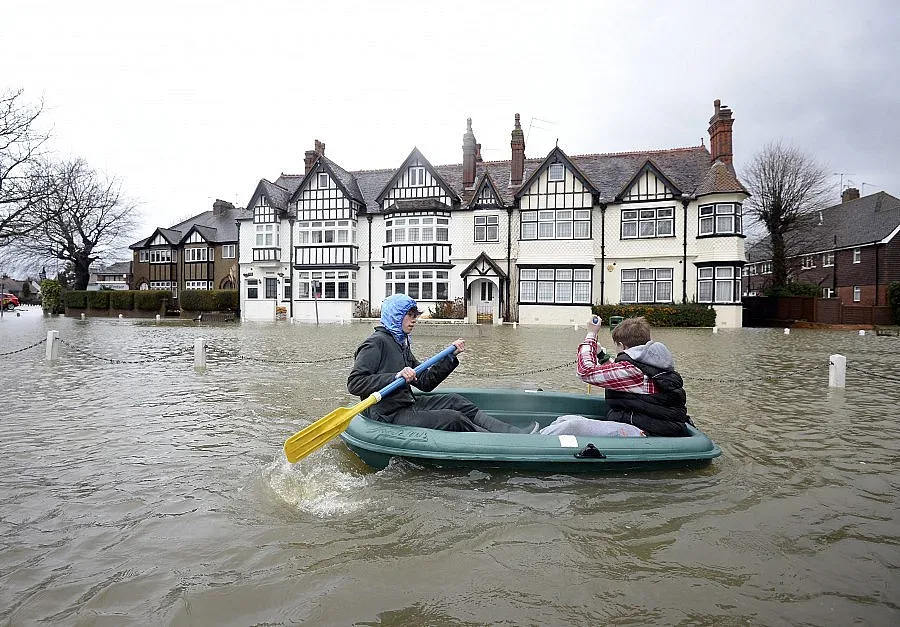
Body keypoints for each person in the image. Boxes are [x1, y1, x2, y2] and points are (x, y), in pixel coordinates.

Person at [347, 293, 538, 434]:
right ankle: (501, 443)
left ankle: (512, 433)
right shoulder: (376, 343)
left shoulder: (401, 343)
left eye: (415, 316)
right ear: (395, 316)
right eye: (410, 315)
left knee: (456, 401)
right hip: (387, 414)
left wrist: (450, 357)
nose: (414, 320)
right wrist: (395, 377)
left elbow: (426, 382)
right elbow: (355, 383)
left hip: (406, 404)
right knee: (452, 418)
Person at [569, 315, 691, 437]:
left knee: (572, 425)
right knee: (564, 421)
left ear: (622, 346)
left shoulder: (633, 371)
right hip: (657, 426)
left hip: (647, 432)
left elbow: (585, 372)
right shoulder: (652, 361)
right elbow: (623, 375)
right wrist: (600, 354)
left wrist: (591, 334)